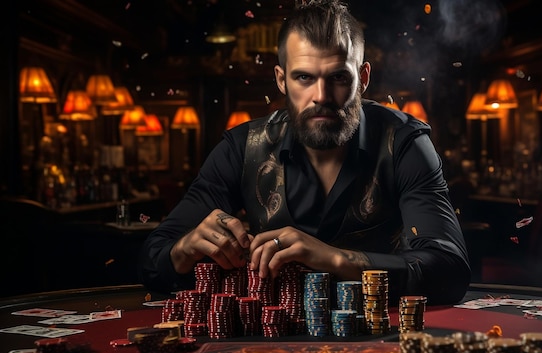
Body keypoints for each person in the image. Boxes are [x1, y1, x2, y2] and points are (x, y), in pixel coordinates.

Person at [138, 0, 470, 306]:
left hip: (383, 339)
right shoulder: (240, 148)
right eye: (304, 78)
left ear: (363, 78)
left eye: (339, 77)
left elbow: (449, 271)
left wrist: (335, 258)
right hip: (269, 343)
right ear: (282, 80)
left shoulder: (405, 143)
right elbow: (151, 261)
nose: (321, 96)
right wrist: (184, 249)